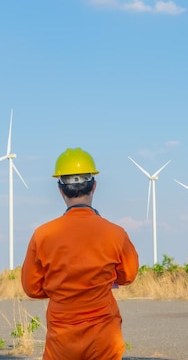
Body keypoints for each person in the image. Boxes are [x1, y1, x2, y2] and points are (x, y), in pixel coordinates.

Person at [21, 147, 139, 360]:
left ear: (60, 190)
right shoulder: (116, 233)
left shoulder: (42, 235)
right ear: (94, 186)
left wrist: (62, 289)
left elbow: (31, 288)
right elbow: (128, 276)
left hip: (61, 339)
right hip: (104, 338)